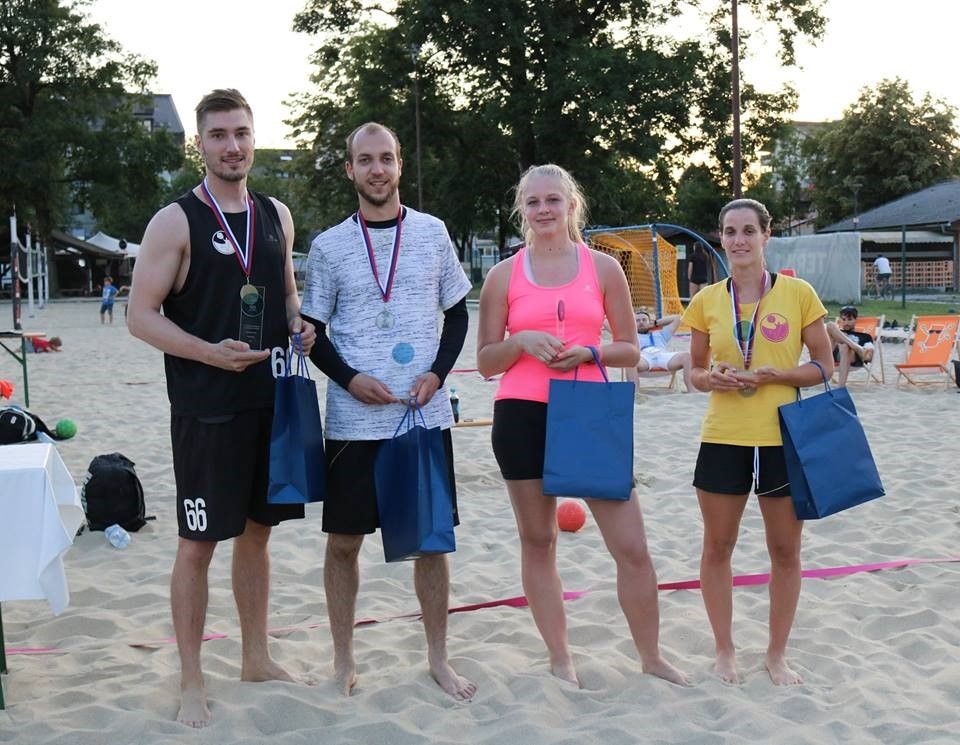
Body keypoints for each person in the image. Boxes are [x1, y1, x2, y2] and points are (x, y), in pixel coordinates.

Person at [127, 89, 315, 728]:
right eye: (218, 135)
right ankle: (191, 680)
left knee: (258, 534)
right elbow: (140, 317)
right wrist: (209, 353)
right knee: (198, 543)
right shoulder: (174, 221)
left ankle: (255, 657)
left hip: (270, 402)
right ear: (200, 144)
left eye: (240, 133)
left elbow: (286, 295)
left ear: (252, 138)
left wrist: (300, 322)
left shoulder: (277, 214)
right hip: (206, 408)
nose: (232, 146)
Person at [476, 163, 687, 688]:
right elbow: (485, 362)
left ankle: (651, 657)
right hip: (522, 413)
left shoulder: (603, 268)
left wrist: (590, 352)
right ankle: (560, 657)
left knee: (631, 546)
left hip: (589, 411)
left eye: (553, 200)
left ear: (571, 205)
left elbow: (630, 349)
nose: (543, 210)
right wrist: (521, 342)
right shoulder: (503, 275)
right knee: (538, 541)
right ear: (522, 210)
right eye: (533, 202)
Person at [300, 122, 476, 701]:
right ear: (349, 169)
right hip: (353, 423)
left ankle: (438, 658)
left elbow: (457, 314)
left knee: (431, 542)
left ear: (399, 166)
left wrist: (438, 374)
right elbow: (312, 331)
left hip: (421, 416)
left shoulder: (432, 232)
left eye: (386, 159)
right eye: (365, 160)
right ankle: (343, 660)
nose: (376, 170)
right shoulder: (329, 246)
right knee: (343, 544)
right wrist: (349, 379)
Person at [681, 198, 833, 686]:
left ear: (767, 236)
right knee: (717, 547)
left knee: (785, 551)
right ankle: (724, 649)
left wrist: (777, 374)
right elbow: (693, 372)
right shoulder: (708, 300)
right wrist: (710, 378)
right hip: (724, 436)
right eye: (730, 231)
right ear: (721, 238)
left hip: (782, 436)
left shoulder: (797, 293)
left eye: (749, 230)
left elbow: (824, 367)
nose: (739, 240)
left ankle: (776, 654)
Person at [626, 309, 693, 392]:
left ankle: (692, 392)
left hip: (663, 356)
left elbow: (677, 318)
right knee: (630, 360)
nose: (641, 322)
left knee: (687, 356)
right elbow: (614, 323)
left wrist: (655, 323)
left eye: (644, 320)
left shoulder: (660, 334)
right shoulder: (631, 335)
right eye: (637, 320)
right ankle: (635, 394)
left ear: (649, 322)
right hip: (644, 358)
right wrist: (631, 322)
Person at [826, 305, 874, 386]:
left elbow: (868, 356)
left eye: (850, 319)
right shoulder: (836, 332)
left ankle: (841, 387)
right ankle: (856, 347)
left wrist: (866, 353)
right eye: (843, 319)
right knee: (830, 324)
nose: (846, 323)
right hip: (830, 356)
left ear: (856, 320)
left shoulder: (865, 336)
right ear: (840, 320)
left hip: (851, 357)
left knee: (844, 346)